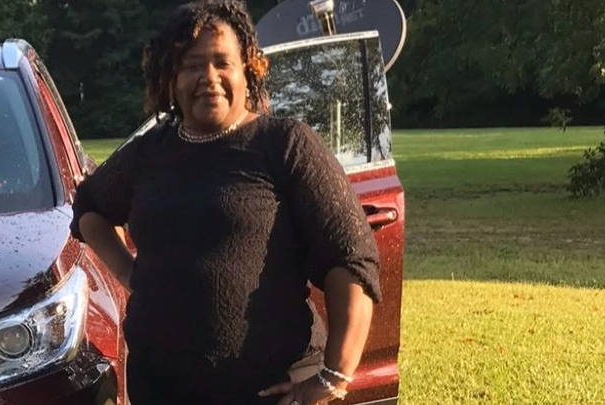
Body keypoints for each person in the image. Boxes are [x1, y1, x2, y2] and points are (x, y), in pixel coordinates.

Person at [69, 0, 382, 404]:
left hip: (268, 389)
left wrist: (335, 374)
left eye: (222, 62)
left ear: (247, 71)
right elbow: (89, 208)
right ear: (170, 78)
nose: (209, 77)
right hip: (161, 390)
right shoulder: (147, 153)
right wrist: (131, 275)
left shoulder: (284, 144)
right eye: (192, 65)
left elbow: (351, 259)